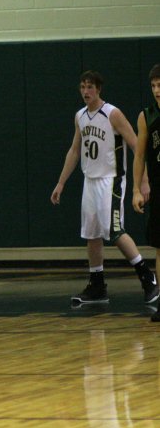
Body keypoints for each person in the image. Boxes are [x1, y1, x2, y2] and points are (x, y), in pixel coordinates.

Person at [51, 70, 159, 307]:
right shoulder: (80, 116)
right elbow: (75, 150)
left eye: (90, 87)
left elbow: (136, 145)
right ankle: (97, 285)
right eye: (82, 87)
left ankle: (147, 276)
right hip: (90, 180)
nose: (85, 91)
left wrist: (143, 180)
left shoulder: (112, 113)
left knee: (115, 230)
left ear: (98, 89)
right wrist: (61, 182)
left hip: (112, 180)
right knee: (91, 233)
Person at [130, 64, 160, 320]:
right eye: (153, 86)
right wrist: (136, 189)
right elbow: (139, 156)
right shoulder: (146, 116)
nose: (157, 90)